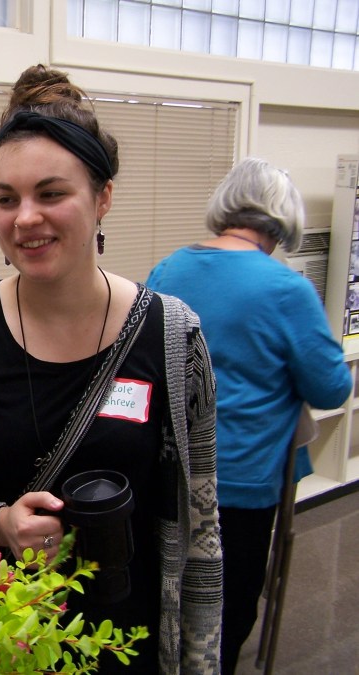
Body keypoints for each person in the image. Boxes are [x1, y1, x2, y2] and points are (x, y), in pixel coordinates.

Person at [0, 64, 222, 673]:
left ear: (103, 197)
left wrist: (199, 660)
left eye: (51, 193)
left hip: (130, 647)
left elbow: (201, 527)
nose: (25, 218)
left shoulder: (174, 338)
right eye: (5, 198)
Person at [146, 157, 352, 674]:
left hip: (167, 474)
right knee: (228, 606)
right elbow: (331, 387)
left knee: (165, 594)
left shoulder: (168, 269)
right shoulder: (286, 289)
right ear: (282, 219)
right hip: (240, 483)